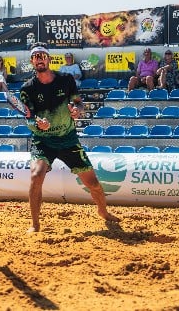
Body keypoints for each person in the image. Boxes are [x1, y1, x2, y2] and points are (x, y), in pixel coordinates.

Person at [20, 42, 119, 233]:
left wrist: (77, 111)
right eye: (35, 56)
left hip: (68, 138)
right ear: (32, 61)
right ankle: (35, 224)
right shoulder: (27, 88)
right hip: (43, 140)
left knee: (94, 184)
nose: (39, 59)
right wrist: (38, 123)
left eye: (42, 55)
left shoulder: (65, 79)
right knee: (36, 175)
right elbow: (29, 119)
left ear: (48, 59)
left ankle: (103, 212)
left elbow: (78, 103)